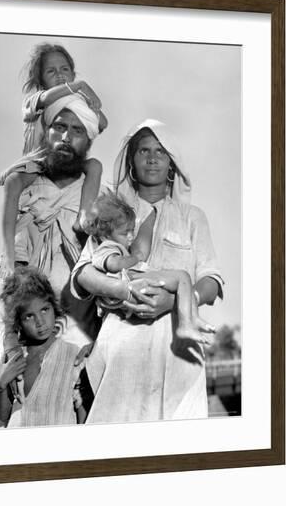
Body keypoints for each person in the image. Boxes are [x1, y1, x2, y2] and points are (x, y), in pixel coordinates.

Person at [71, 119, 224, 423]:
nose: (152, 158)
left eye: (160, 151)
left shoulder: (193, 217)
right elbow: (84, 273)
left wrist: (176, 301)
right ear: (131, 160)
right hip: (121, 348)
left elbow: (212, 279)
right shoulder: (111, 212)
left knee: (179, 450)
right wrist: (123, 290)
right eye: (143, 151)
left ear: (171, 164)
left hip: (177, 351)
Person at [0, 95, 101, 427]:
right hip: (20, 318)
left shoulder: (96, 192)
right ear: (46, 133)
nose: (66, 137)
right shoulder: (24, 186)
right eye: (59, 127)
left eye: (77, 130)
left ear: (87, 140)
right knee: (7, 408)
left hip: (77, 321)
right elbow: (11, 265)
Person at [0, 43, 108, 269]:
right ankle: (8, 250)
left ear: (72, 72)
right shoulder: (37, 99)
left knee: (94, 165)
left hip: (65, 159)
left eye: (64, 70)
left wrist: (90, 103)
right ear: (40, 80)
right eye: (51, 71)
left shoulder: (76, 102)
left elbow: (101, 123)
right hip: (38, 161)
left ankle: (83, 218)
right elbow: (45, 100)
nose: (59, 76)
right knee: (13, 182)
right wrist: (79, 86)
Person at [84, 190, 214, 344]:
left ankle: (190, 319)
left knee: (182, 281)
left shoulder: (114, 244)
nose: (131, 237)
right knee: (182, 277)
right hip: (129, 279)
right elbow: (113, 264)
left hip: (131, 280)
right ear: (105, 234)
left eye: (132, 231)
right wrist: (135, 258)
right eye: (125, 233)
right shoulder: (106, 247)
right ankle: (186, 323)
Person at [0, 267, 87, 427]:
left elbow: (82, 413)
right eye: (29, 316)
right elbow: (3, 415)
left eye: (44, 310)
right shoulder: (14, 358)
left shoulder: (73, 355)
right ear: (18, 322)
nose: (40, 322)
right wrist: (0, 385)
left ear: (54, 308)